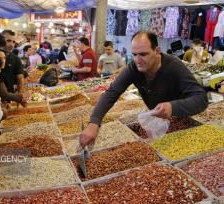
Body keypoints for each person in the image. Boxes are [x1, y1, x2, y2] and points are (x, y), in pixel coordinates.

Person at [80, 31, 208, 148]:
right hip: (159, 123)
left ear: (157, 51)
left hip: (183, 124)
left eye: (143, 54)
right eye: (134, 54)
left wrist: (172, 107)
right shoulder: (134, 68)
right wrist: (94, 123)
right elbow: (112, 93)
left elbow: (201, 99)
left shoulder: (174, 67)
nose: (137, 60)